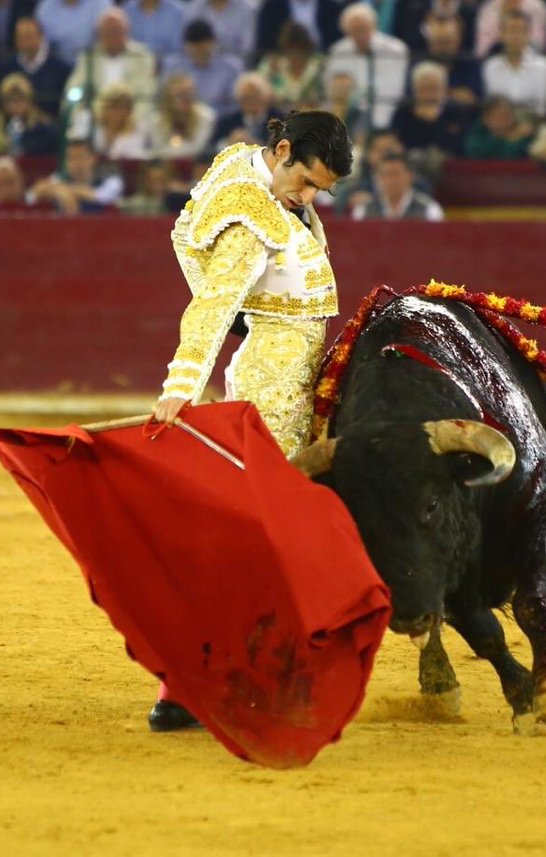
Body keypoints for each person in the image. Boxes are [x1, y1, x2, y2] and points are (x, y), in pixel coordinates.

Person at [149, 110, 353, 731]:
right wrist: (181, 387)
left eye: (321, 190)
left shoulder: (254, 170)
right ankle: (191, 685)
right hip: (274, 388)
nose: (309, 198)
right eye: (307, 182)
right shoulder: (249, 212)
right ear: (283, 150)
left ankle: (195, 682)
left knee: (265, 534)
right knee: (263, 538)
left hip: (289, 372)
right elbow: (211, 305)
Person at [325, 3, 411, 129]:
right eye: (355, 30)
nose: (360, 35)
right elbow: (331, 89)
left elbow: (394, 90)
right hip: (347, 116)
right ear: (347, 32)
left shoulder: (395, 50)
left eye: (363, 29)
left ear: (374, 26)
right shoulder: (338, 51)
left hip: (386, 116)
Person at [64, 7, 157, 120]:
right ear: (99, 34)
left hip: (131, 119)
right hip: (95, 118)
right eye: (107, 32)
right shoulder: (89, 57)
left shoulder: (141, 57)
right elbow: (74, 88)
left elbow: (147, 95)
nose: (112, 36)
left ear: (127, 32)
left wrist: (131, 121)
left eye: (116, 31)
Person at [483, 10, 546, 121]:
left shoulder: (544, 66)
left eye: (520, 31)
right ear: (501, 34)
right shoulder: (490, 67)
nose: (515, 36)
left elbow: (541, 108)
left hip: (533, 123)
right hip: (499, 124)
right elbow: (491, 104)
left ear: (529, 34)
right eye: (511, 30)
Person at [160, 19, 244, 114]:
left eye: (202, 47)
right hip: (182, 119)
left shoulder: (231, 68)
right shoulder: (173, 66)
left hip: (221, 119)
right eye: (194, 47)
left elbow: (235, 104)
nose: (198, 51)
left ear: (213, 43)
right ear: (186, 46)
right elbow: (164, 100)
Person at [0, 17, 73, 116]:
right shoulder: (7, 68)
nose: (24, 40)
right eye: (20, 36)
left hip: (50, 122)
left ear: (40, 37)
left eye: (28, 35)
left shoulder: (60, 69)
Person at [32, 138, 124, 211]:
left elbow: (101, 197)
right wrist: (59, 191)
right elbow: (32, 195)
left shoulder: (111, 179)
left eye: (80, 157)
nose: (76, 163)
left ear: (93, 159)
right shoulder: (60, 177)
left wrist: (64, 190)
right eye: (71, 158)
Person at [0, 73, 59, 156]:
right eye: (10, 100)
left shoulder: (44, 128)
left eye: (20, 100)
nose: (15, 106)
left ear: (29, 101)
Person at [351, 151, 446, 219]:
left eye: (395, 174)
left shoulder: (429, 210)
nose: (390, 180)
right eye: (384, 175)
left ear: (410, 176)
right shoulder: (364, 210)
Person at [256, 21, 326, 109]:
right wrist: (272, 75)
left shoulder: (320, 65)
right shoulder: (271, 64)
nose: (295, 55)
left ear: (307, 49)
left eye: (299, 51)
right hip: (278, 114)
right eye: (290, 50)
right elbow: (258, 91)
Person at [146, 72, 217, 158]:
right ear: (168, 98)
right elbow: (158, 150)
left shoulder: (206, 117)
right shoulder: (156, 120)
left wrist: (174, 151)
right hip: (166, 163)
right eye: (179, 95)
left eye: (188, 94)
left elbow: (198, 149)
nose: (185, 99)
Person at [211, 72, 283, 150]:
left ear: (265, 97)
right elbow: (209, 150)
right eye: (245, 98)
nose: (250, 102)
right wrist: (227, 144)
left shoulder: (282, 120)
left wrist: (256, 145)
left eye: (254, 97)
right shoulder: (227, 122)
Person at [35, 0, 114, 66]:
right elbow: (41, 45)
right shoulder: (46, 7)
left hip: (94, 61)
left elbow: (110, 37)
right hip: (57, 64)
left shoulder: (100, 3)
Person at [182, 0, 258, 61]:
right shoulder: (194, 8)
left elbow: (247, 49)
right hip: (197, 67)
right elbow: (186, 44)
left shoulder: (247, 9)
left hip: (236, 68)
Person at [465, 94, 536, 158]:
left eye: (507, 115)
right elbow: (475, 152)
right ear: (485, 118)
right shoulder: (477, 131)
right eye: (499, 115)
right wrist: (508, 139)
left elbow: (520, 154)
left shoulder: (523, 133)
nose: (504, 120)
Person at [122, 0, 188, 63]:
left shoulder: (177, 12)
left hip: (169, 67)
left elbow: (179, 51)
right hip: (134, 65)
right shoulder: (126, 12)